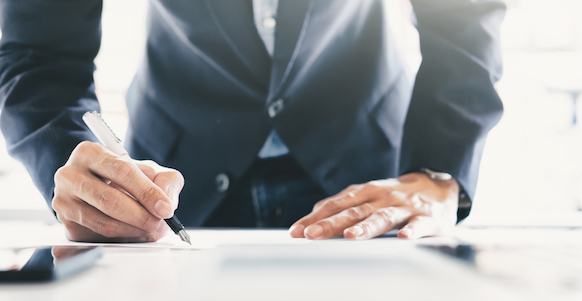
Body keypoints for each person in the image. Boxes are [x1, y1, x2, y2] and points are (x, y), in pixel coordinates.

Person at [0, 0, 505, 242]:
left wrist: (439, 171)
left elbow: (464, 22)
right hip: (172, 182)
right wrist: (74, 169)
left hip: (367, 175)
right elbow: (39, 56)